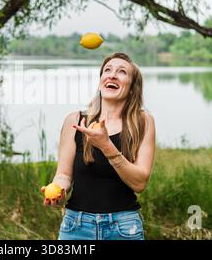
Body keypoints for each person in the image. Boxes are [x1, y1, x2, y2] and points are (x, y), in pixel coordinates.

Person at [41, 52, 156, 240]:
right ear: (101, 80)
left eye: (122, 72)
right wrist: (58, 191)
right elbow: (63, 174)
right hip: (76, 227)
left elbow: (139, 182)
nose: (112, 75)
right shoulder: (76, 120)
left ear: (133, 87)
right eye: (107, 70)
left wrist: (107, 146)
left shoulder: (143, 122)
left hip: (123, 228)